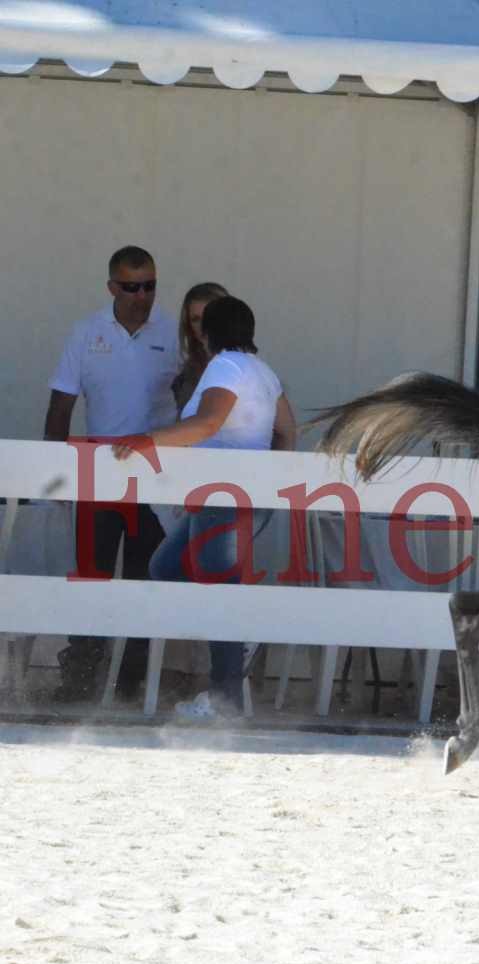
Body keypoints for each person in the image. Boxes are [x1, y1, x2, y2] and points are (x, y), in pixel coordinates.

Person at [112, 296, 297, 718]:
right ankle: (237, 641)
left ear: (207, 333)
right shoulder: (264, 372)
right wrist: (270, 478)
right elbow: (287, 430)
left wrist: (148, 440)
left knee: (214, 586)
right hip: (242, 496)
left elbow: (208, 423)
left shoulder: (225, 366)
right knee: (167, 566)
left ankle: (225, 697)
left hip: (224, 494)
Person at [44, 245, 182, 701]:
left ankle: (130, 683)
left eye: (150, 286)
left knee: (146, 579)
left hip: (156, 477)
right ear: (111, 288)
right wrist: (57, 471)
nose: (142, 296)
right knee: (92, 576)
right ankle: (80, 678)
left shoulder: (174, 333)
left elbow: (193, 405)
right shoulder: (86, 332)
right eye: (131, 287)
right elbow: (61, 404)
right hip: (97, 475)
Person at [172, 282, 229, 411]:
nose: (204, 325)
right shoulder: (186, 375)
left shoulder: (246, 368)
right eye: (196, 319)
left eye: (210, 316)